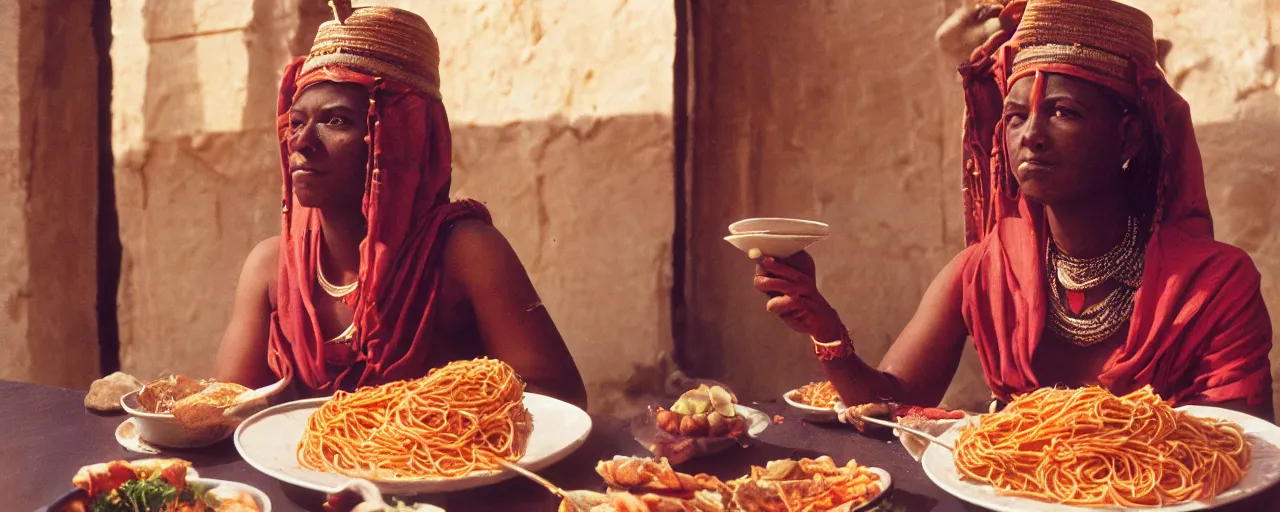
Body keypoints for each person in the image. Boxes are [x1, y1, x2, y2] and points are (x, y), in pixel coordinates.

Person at [753, 0, 1273, 420]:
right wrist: (823, 324)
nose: (1032, 137)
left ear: (1129, 134)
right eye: (1016, 116)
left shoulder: (1214, 289)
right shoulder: (987, 269)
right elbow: (887, 403)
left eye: (1062, 111)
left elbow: (1237, 462)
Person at [213, 4, 587, 408]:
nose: (302, 142)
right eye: (297, 121)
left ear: (398, 138)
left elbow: (560, 400)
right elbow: (225, 412)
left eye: (336, 121)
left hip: (445, 469)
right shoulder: (271, 268)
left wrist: (413, 433)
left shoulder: (465, 253)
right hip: (302, 471)